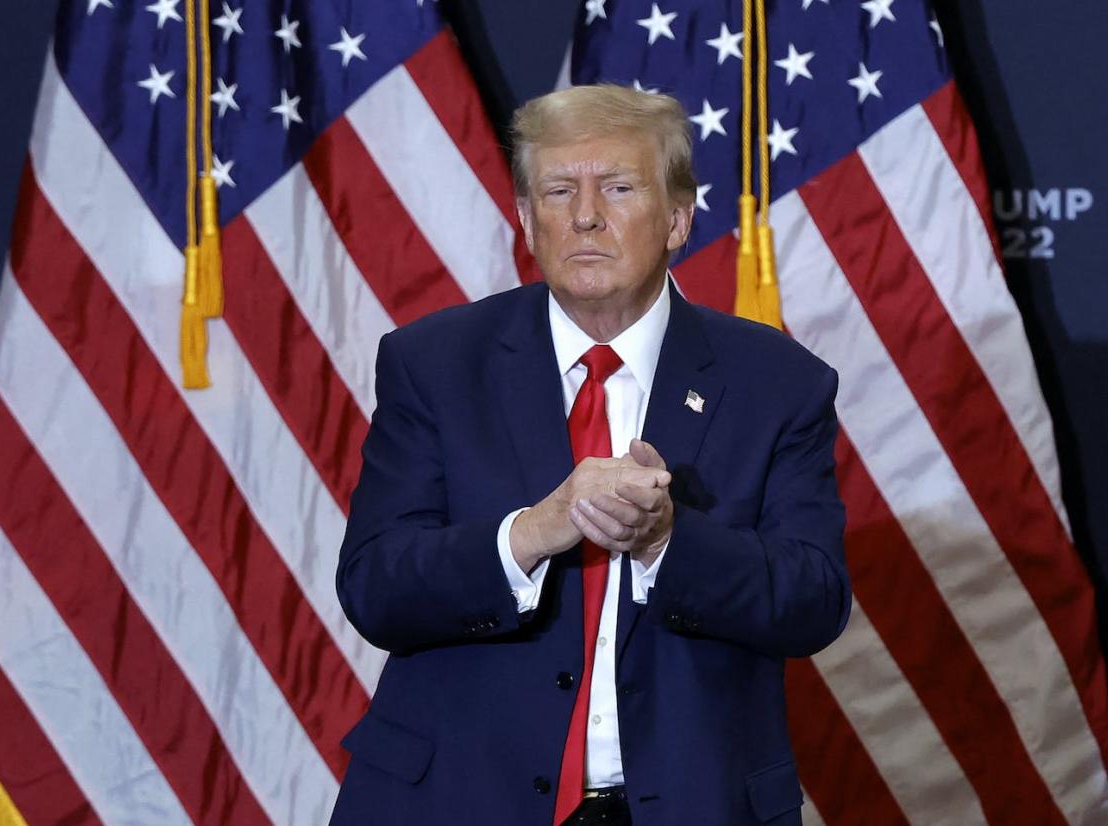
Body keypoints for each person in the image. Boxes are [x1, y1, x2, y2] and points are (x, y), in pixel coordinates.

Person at [330, 84, 850, 826]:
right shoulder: (434, 365)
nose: (585, 215)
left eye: (618, 187)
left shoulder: (778, 384)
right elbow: (375, 588)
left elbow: (814, 602)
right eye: (558, 190)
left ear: (677, 219)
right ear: (525, 217)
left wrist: (667, 540)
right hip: (455, 800)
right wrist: (535, 531)